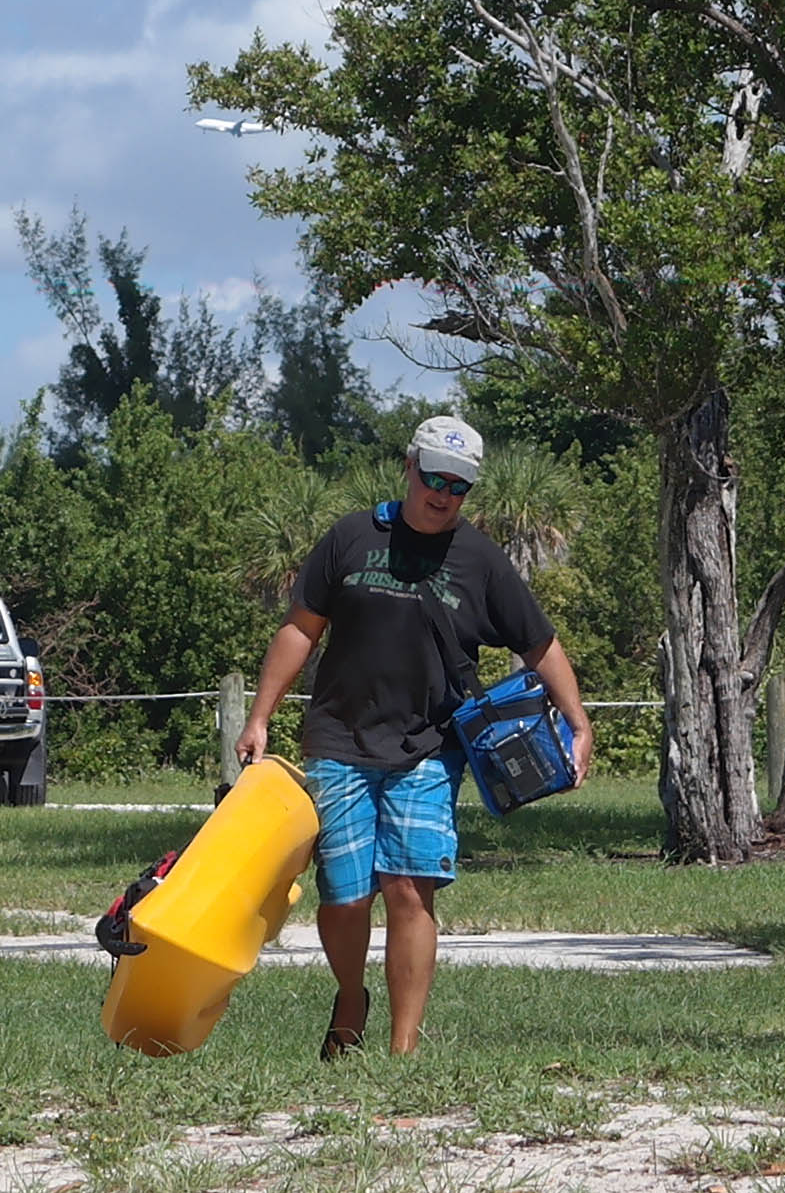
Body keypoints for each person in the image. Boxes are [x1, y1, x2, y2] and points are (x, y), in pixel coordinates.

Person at [240, 416, 592, 1057]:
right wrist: (260, 715)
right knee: (345, 897)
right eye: (433, 477)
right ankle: (351, 994)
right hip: (340, 740)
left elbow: (539, 643)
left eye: (458, 486)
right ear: (409, 467)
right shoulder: (352, 536)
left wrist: (578, 722)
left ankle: (404, 1050)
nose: (442, 493)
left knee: (408, 886)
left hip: (430, 748)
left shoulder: (482, 560)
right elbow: (299, 629)